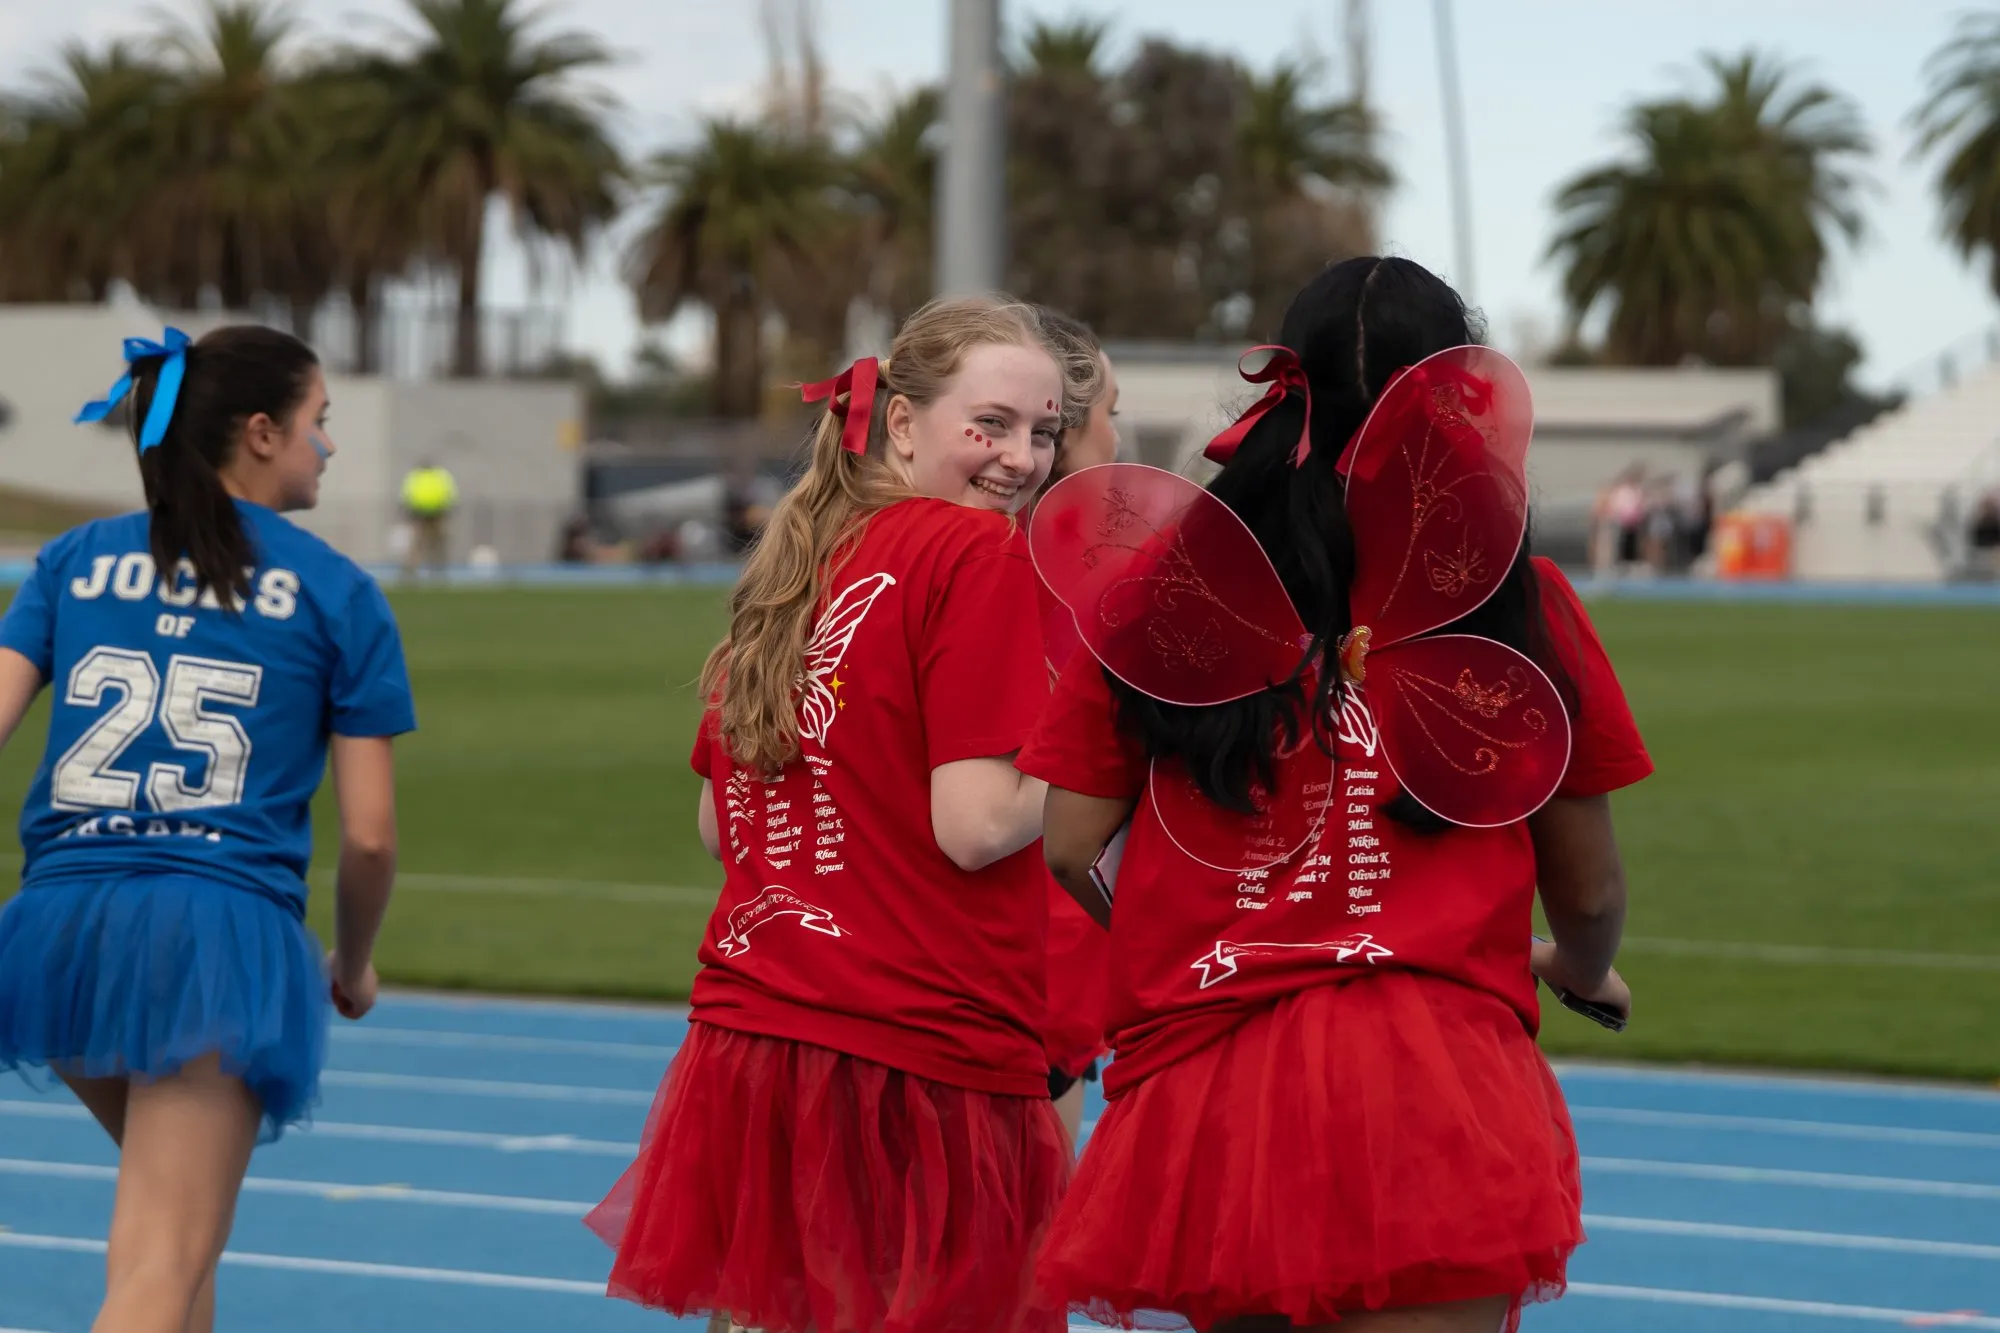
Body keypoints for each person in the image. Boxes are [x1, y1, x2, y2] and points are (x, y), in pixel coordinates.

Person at [1021, 257, 1652, 1333]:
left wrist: (1220, 926)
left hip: (1214, 1081)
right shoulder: (1519, 602)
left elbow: (1072, 844)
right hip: (1435, 1085)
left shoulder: (1165, 590)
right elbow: (1584, 886)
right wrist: (1578, 968)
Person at [586, 296, 1099, 1333]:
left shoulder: (799, 556)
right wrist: (1107, 742)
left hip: (755, 1035)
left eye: (1042, 432)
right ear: (901, 423)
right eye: (988, 425)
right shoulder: (972, 553)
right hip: (919, 1048)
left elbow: (715, 824)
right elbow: (973, 823)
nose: (1021, 457)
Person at [0, 326, 414, 1333]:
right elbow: (367, 837)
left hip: (59, 924)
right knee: (159, 1260)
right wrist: (354, 965)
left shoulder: (73, 560)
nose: (329, 446)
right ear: (262, 433)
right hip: (214, 928)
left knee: (179, 1245)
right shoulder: (335, 590)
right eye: (322, 423)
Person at [1027, 308, 1121, 1146]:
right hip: (1025, 973)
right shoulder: (1081, 592)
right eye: (1111, 413)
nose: (1118, 438)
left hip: (1045, 975)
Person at [399, 456, 458, 576]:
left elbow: (406, 494)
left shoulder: (415, 477)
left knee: (422, 543)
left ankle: (415, 569)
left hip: (424, 513)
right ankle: (434, 569)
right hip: (432, 513)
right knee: (431, 543)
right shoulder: (440, 476)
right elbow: (450, 493)